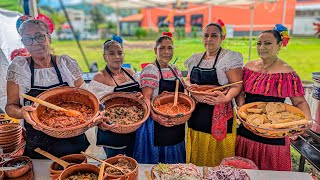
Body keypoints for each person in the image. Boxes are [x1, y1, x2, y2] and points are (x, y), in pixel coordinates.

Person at [5, 16, 101, 159]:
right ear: (23, 42)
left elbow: (89, 100)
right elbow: (10, 107)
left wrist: (98, 113)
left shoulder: (66, 64)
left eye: (39, 36)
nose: (35, 43)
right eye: (28, 39)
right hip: (39, 143)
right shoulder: (19, 68)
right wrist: (22, 113)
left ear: (48, 38)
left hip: (74, 139)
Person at [235, 24, 312, 171]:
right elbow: (240, 92)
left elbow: (300, 101)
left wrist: (307, 120)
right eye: (259, 43)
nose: (261, 47)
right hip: (247, 129)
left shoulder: (287, 73)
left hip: (275, 135)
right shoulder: (248, 68)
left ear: (279, 45)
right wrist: (241, 107)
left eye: (267, 43)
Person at [184, 20, 243, 167]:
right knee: (198, 157)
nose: (209, 39)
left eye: (214, 36)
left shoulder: (228, 58)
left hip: (220, 114)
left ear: (222, 38)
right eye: (206, 35)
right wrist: (190, 87)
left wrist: (226, 98)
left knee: (217, 160)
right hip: (197, 115)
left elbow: (236, 85)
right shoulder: (196, 59)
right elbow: (188, 80)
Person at [134, 32, 186, 164]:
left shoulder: (175, 69)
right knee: (157, 162)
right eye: (162, 48)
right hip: (156, 123)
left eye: (170, 48)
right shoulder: (151, 70)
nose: (166, 52)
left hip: (174, 120)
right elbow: (146, 99)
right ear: (155, 50)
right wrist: (155, 117)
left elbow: (182, 93)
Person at [88, 35, 141, 158]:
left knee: (132, 161)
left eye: (120, 53)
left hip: (133, 129)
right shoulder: (99, 77)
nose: (117, 57)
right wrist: (100, 123)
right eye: (111, 53)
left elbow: (140, 95)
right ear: (104, 57)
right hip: (112, 131)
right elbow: (93, 106)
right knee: (114, 164)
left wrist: (140, 96)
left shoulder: (131, 73)